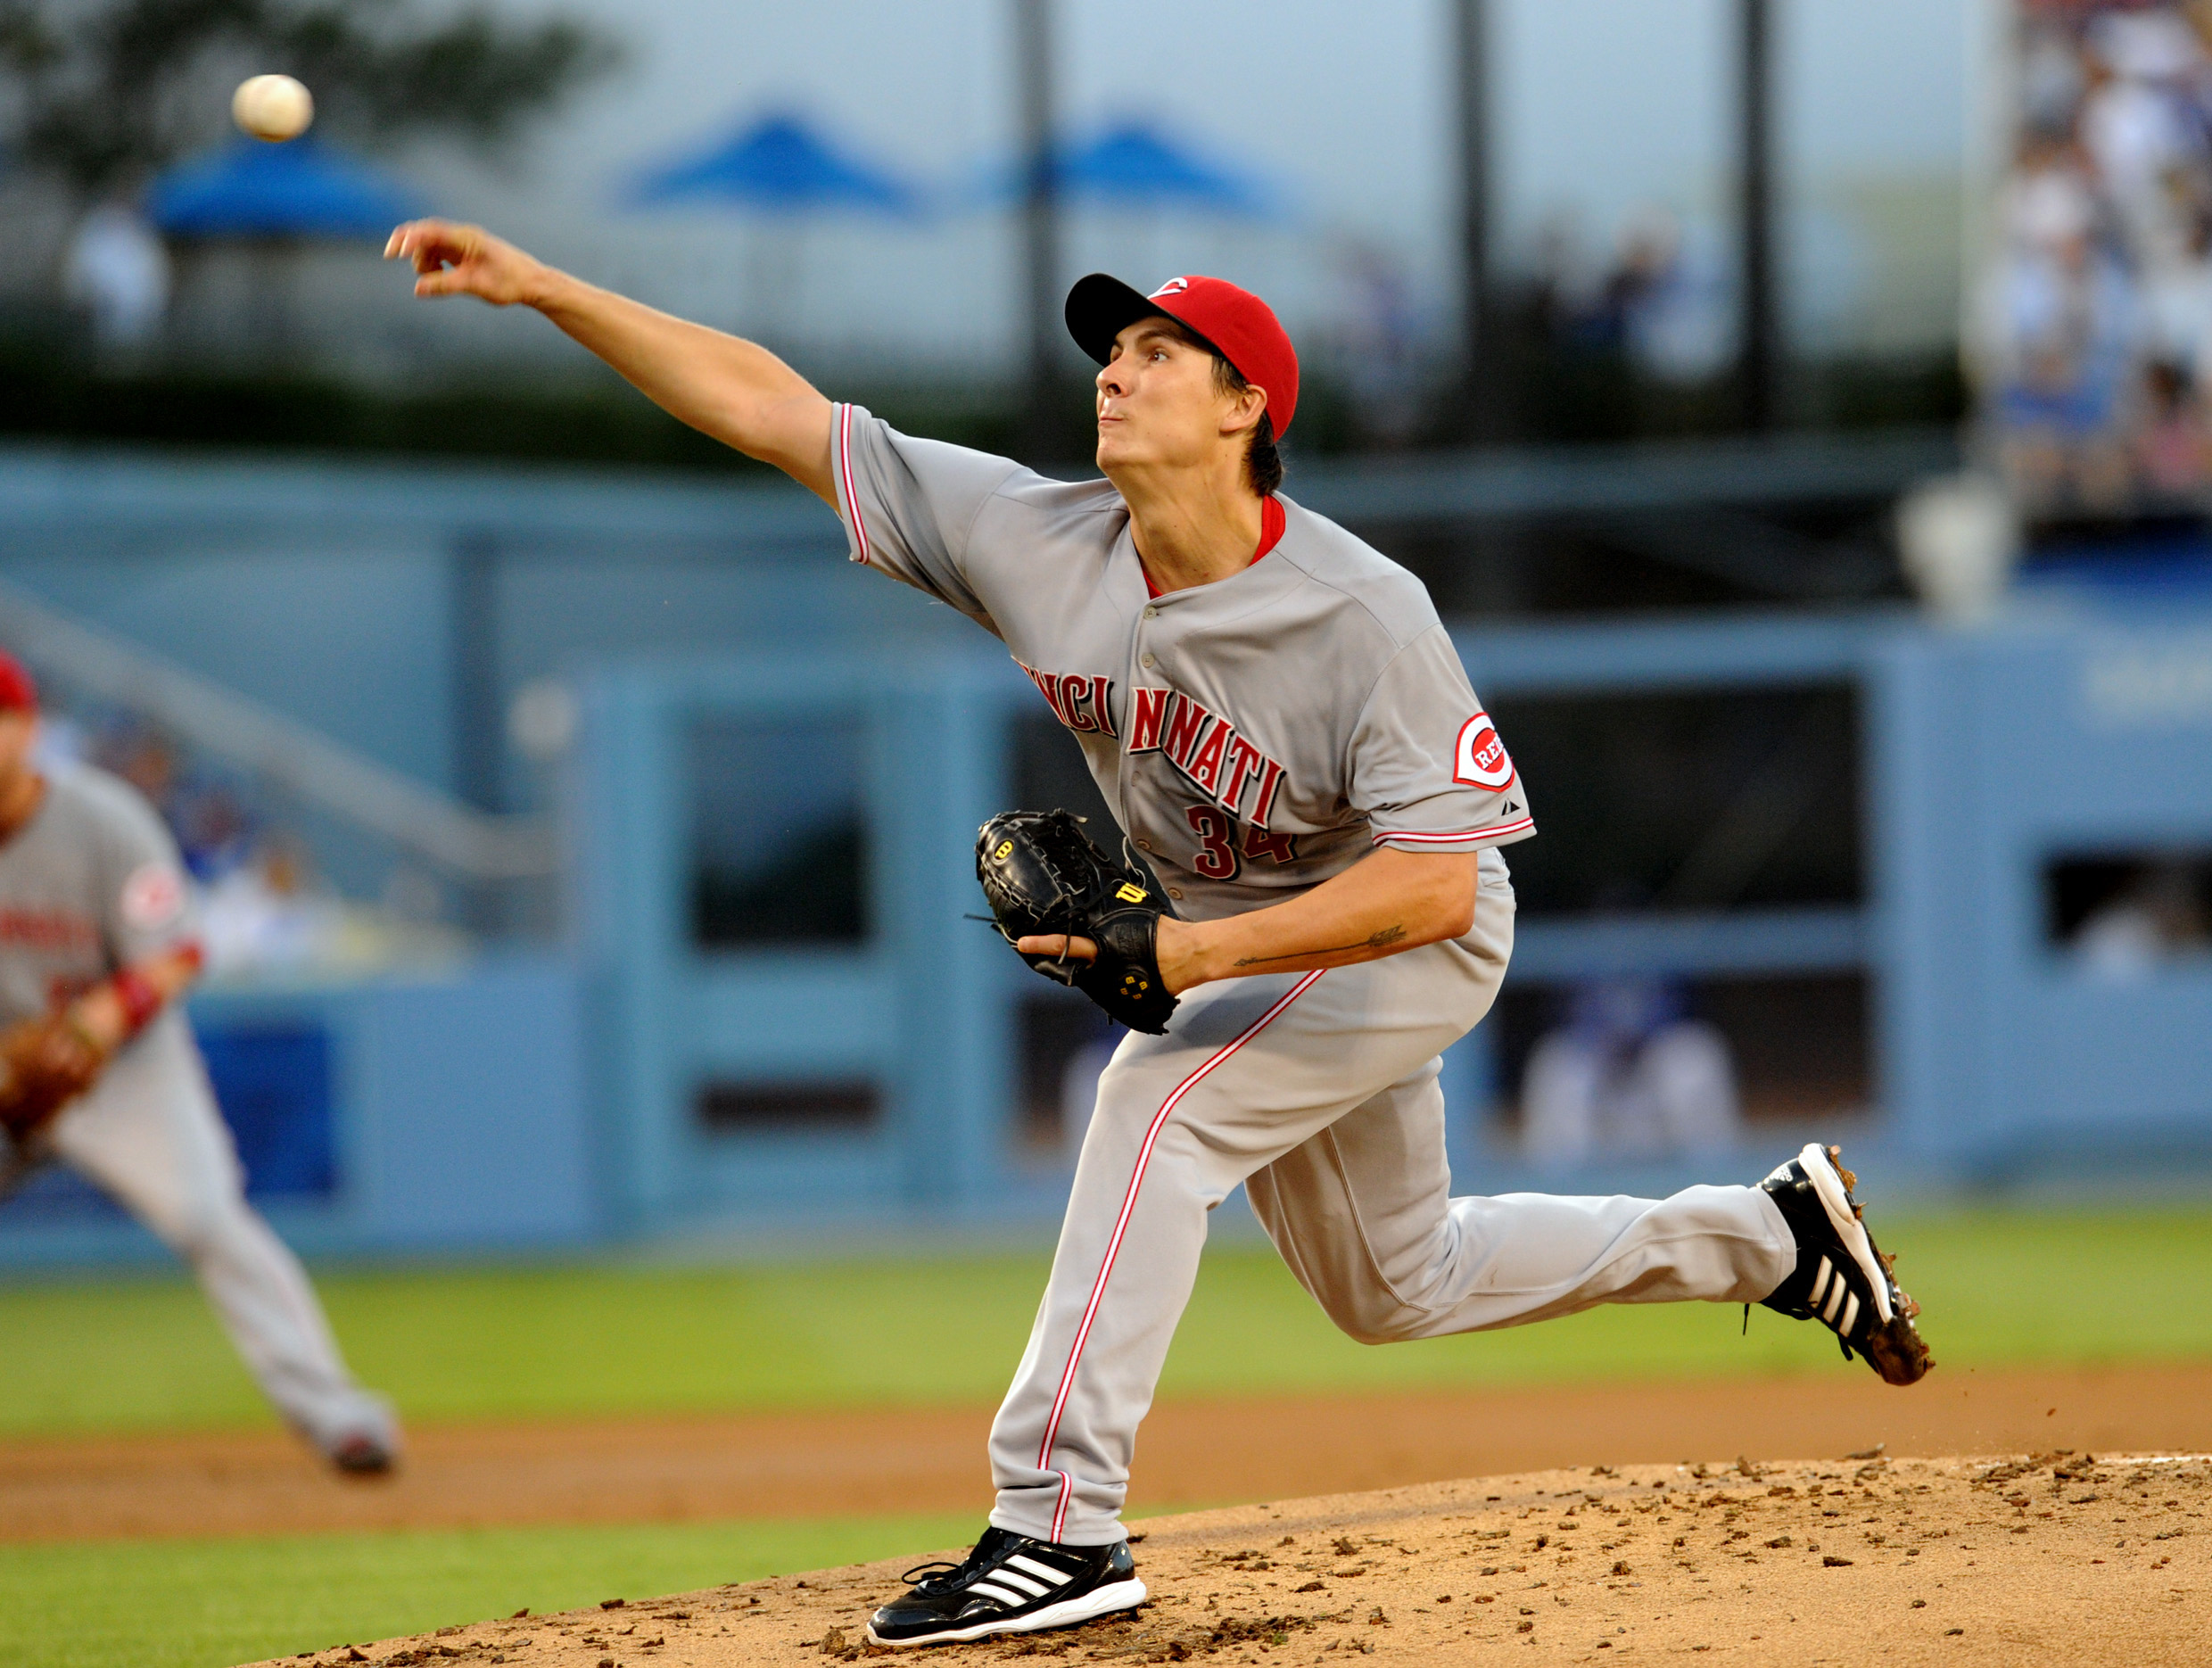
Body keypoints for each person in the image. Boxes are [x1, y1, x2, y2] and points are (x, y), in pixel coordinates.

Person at [385, 219, 1931, 1648]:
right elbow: (775, 412)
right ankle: (1774, 1238)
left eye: (1157, 351)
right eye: (1109, 350)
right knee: (1394, 1284)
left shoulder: (1360, 609)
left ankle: (1057, 1526)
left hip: (1401, 930)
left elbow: (1440, 889)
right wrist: (549, 289)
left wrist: (1190, 959)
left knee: (1159, 1101)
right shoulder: (1030, 534)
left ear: (1246, 405)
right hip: (1250, 936)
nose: (1113, 372)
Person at [0, 656, 400, 1474]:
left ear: (31, 728)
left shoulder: (101, 817)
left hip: (125, 1067)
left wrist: (104, 1017)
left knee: (209, 1217)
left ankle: (337, 1413)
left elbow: (180, 948)